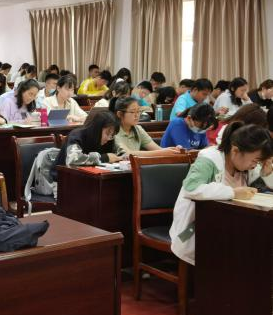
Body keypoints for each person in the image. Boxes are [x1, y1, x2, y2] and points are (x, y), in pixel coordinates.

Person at [170, 122, 273, 265]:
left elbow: (261, 189)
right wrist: (232, 192)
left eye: (259, 162)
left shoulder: (246, 166)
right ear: (235, 151)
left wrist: (267, 173)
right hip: (196, 228)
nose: (255, 165)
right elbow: (190, 188)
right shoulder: (209, 158)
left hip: (232, 226)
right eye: (255, 161)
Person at [52, 111, 125, 180]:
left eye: (112, 135)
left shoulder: (109, 140)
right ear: (97, 129)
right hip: (62, 180)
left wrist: (124, 157)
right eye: (107, 133)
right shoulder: (77, 136)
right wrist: (103, 158)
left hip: (90, 179)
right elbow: (73, 160)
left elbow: (119, 152)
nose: (109, 138)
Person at [111, 97, 181, 156]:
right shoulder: (113, 131)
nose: (137, 115)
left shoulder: (138, 129)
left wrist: (173, 150)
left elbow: (158, 150)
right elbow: (127, 154)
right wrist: (163, 152)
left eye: (138, 111)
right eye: (132, 112)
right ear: (119, 114)